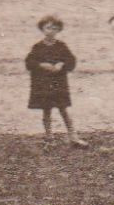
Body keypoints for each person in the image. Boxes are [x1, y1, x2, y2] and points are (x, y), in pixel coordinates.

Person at [25, 15, 87, 147]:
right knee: (46, 111)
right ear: (42, 29)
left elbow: (71, 60)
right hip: (43, 83)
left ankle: (73, 136)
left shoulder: (62, 46)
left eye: (54, 28)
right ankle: (49, 137)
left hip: (58, 83)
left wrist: (62, 64)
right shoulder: (37, 47)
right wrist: (42, 65)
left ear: (59, 30)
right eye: (48, 28)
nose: (51, 31)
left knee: (63, 109)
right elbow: (29, 62)